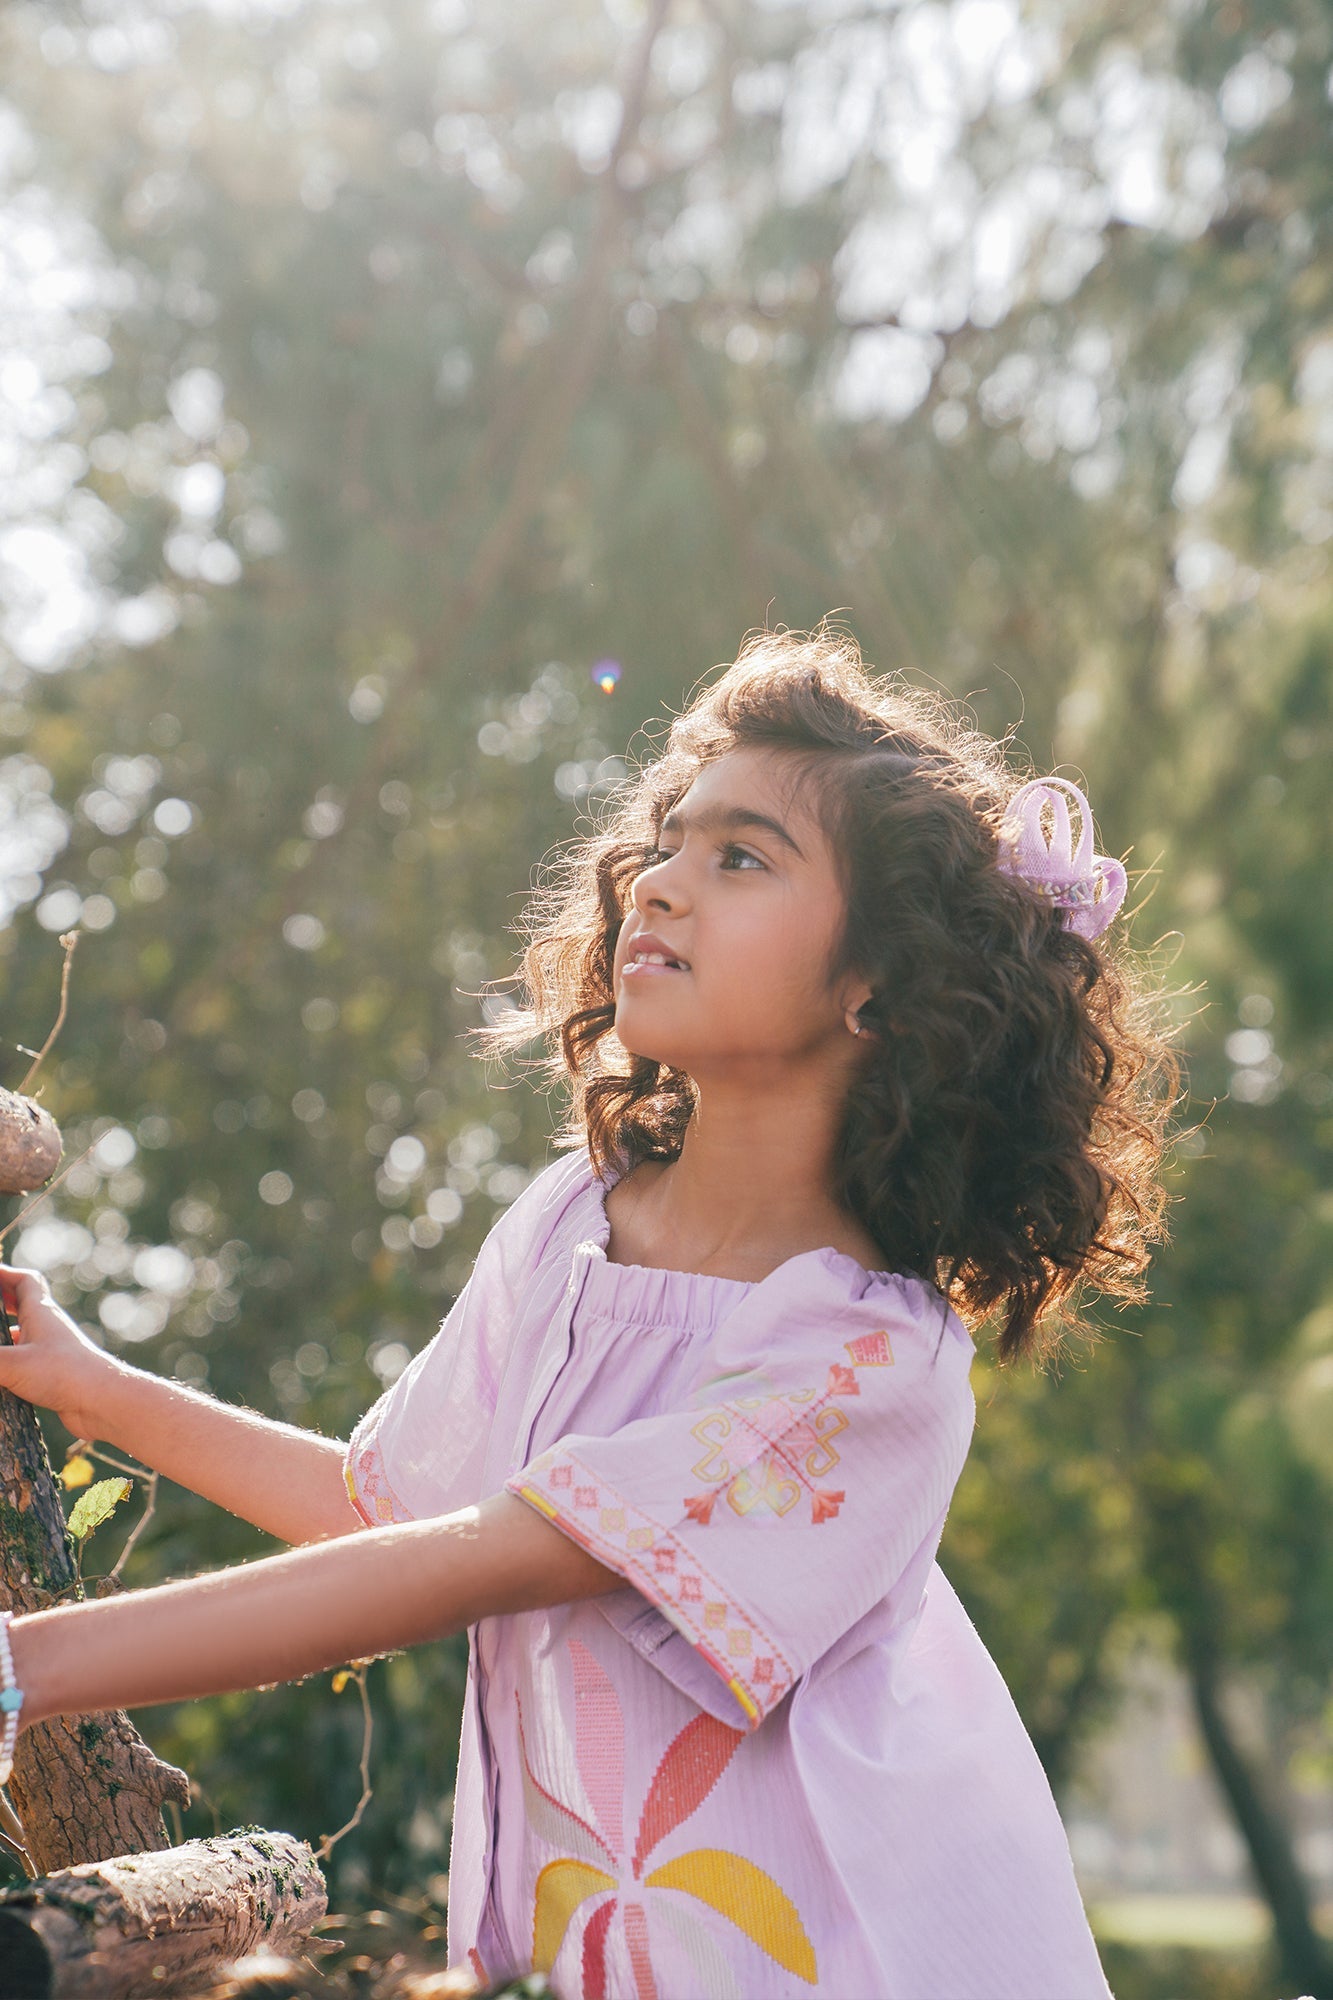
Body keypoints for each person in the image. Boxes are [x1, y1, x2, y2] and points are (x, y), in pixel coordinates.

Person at [0, 626, 1180, 1999]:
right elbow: (392, 1516)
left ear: (878, 983)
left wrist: (19, 1668)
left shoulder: (863, 1362)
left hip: (870, 1954)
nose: (661, 882)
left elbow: (468, 1564)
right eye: (668, 843)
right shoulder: (572, 1221)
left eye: (742, 858)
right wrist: (95, 1386)